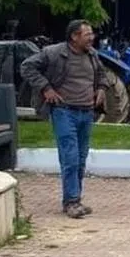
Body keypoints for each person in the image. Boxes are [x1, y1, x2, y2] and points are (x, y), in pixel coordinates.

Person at [20, 20, 104, 218]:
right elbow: (27, 67)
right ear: (74, 37)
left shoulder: (92, 54)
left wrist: (101, 88)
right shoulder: (53, 53)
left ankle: (76, 199)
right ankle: (71, 202)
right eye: (87, 34)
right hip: (64, 111)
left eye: (91, 34)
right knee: (70, 157)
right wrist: (46, 88)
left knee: (81, 159)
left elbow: (101, 74)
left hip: (86, 112)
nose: (92, 38)